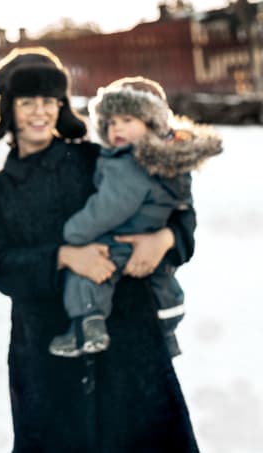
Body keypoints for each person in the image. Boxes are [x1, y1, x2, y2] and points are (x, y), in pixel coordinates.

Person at [0, 47, 200, 452]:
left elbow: (174, 208)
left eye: (50, 101)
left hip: (129, 342)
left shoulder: (94, 159)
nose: (40, 112)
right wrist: (63, 256)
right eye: (28, 102)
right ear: (9, 108)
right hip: (46, 355)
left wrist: (164, 239)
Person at [49, 76, 222, 359]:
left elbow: (113, 206)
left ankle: (88, 323)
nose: (117, 127)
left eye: (127, 119)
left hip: (121, 245)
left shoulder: (127, 162)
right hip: (152, 286)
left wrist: (74, 233)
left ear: (153, 123)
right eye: (111, 121)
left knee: (91, 274)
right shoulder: (169, 161)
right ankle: (164, 332)